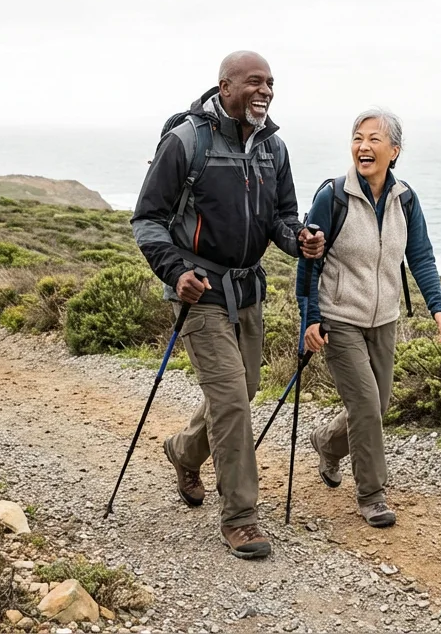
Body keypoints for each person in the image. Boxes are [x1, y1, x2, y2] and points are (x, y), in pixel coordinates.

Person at [132, 51, 324, 559]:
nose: (265, 91)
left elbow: (281, 217)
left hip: (248, 290)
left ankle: (184, 450)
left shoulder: (273, 148)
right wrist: (176, 273)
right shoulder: (186, 142)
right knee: (234, 403)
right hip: (201, 293)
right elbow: (147, 220)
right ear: (225, 86)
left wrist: (298, 237)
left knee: (246, 389)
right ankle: (240, 517)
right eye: (254, 82)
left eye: (271, 83)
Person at [301, 108, 441, 528]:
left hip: (384, 318)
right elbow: (307, 262)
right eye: (357, 138)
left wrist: (438, 306)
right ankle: (372, 494)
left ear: (395, 150)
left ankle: (327, 443)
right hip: (340, 317)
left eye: (373, 139)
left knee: (377, 405)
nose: (363, 147)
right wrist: (310, 318)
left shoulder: (405, 198)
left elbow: (420, 256)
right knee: (366, 405)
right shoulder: (332, 196)